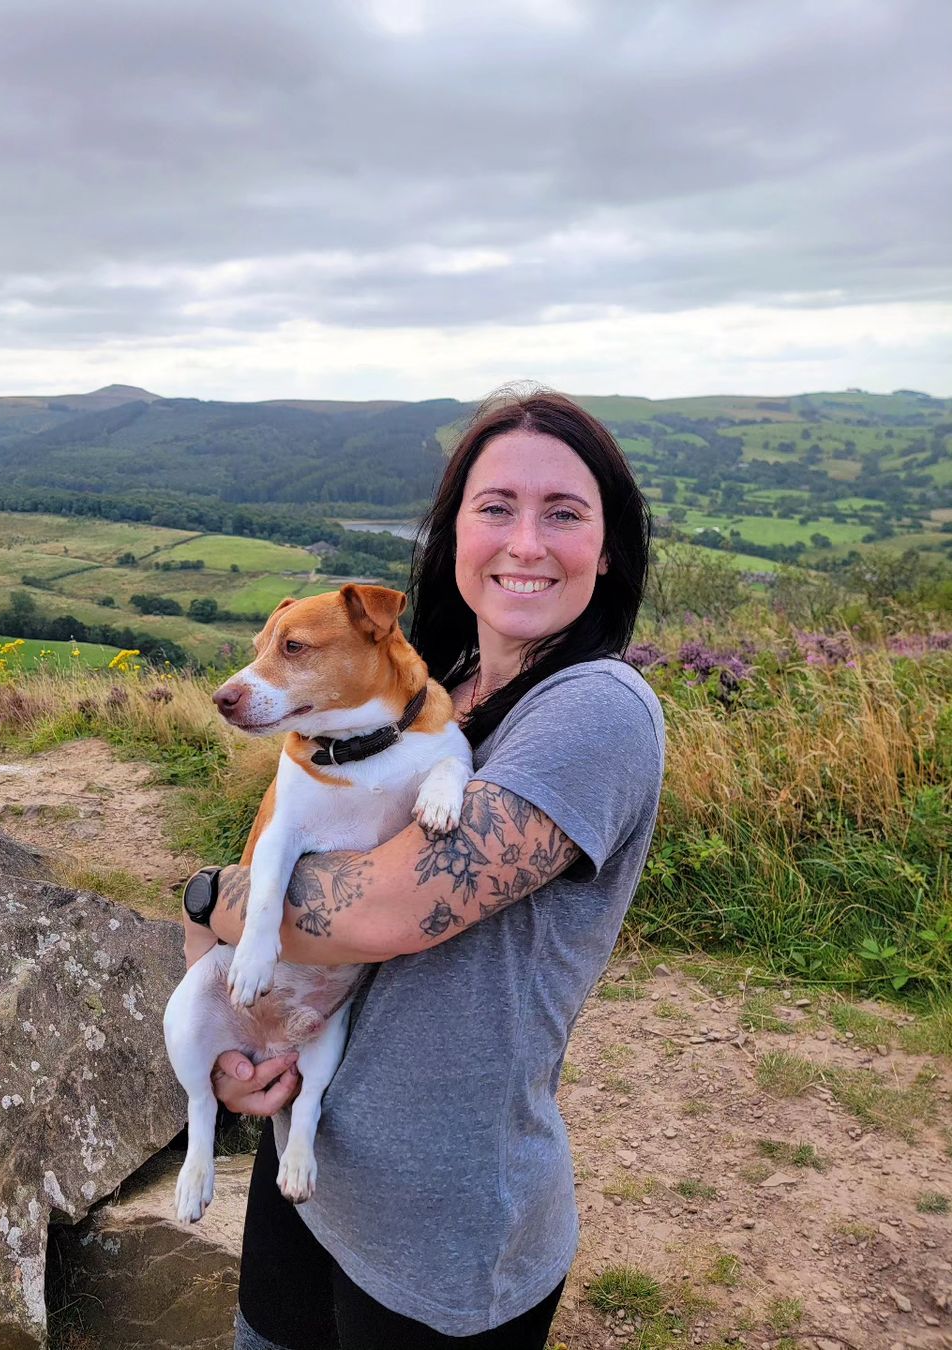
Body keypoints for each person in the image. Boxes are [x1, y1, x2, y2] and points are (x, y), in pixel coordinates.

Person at [182, 387, 665, 1350]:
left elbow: (386, 911)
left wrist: (209, 898)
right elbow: (274, 834)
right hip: (310, 1157)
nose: (525, 541)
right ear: (454, 537)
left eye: (563, 514)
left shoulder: (596, 710)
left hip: (443, 1221)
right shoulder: (423, 695)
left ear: (606, 551)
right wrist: (236, 1037)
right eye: (495, 508)